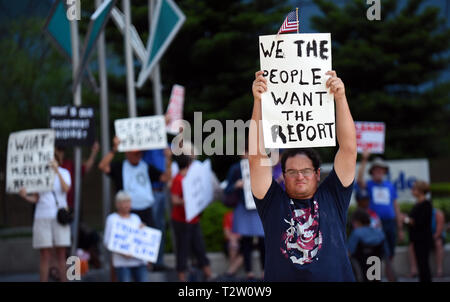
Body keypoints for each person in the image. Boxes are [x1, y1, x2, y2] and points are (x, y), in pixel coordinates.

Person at [249, 70, 357, 281]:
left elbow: (349, 150)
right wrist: (258, 101)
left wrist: (341, 98)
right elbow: (256, 158)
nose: (300, 176)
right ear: (283, 176)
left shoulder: (334, 197)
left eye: (306, 171)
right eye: (292, 171)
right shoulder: (271, 203)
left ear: (317, 174)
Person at [98, 136, 171, 228]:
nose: (138, 156)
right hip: (127, 212)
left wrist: (168, 159)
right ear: (127, 153)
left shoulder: (146, 166)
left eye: (139, 153)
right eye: (134, 153)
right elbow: (102, 166)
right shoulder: (119, 167)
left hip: (146, 211)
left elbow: (165, 178)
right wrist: (114, 149)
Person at [18, 156, 71, 282]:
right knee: (44, 255)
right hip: (42, 216)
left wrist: (57, 171)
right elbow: (36, 198)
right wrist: (25, 196)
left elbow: (66, 189)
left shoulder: (64, 172)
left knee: (62, 254)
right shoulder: (38, 174)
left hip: (60, 217)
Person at [357, 151, 403, 271]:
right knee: (376, 251)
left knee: (391, 251)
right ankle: (375, 277)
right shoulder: (369, 184)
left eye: (381, 169)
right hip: (376, 223)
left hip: (390, 222)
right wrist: (364, 160)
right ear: (372, 172)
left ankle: (389, 274)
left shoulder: (390, 185)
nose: (378, 171)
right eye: (376, 169)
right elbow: (359, 180)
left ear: (384, 171)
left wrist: (400, 227)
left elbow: (395, 205)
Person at [170, 154, 212, 282]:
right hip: (181, 221)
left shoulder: (190, 178)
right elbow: (174, 199)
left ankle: (208, 274)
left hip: (193, 219)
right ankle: (182, 278)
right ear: (188, 164)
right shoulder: (178, 179)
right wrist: (188, 201)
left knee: (199, 247)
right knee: (183, 249)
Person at [224, 150, 265, 280]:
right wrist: (236, 185)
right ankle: (249, 271)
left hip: (258, 207)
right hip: (243, 206)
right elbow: (227, 188)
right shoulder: (235, 169)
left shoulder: (261, 166)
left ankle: (265, 270)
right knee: (246, 240)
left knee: (263, 240)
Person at [103, 191, 148, 282]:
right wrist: (122, 252)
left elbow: (142, 238)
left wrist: (144, 230)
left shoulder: (136, 218)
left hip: (139, 261)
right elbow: (107, 241)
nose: (127, 205)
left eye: (128, 202)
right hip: (122, 263)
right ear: (117, 204)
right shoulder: (112, 219)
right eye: (124, 202)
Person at [142, 148, 172, 271]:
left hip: (162, 192)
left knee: (160, 228)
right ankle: (147, 262)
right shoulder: (147, 148)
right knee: (150, 228)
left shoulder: (166, 147)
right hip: (149, 192)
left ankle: (158, 262)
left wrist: (169, 157)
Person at [55, 141, 100, 210]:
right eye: (59, 149)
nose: (60, 153)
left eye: (62, 149)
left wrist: (94, 152)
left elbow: (85, 168)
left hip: (69, 205)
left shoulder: (68, 164)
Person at [347, 209, 389, 282]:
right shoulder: (380, 233)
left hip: (360, 275)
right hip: (376, 274)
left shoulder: (356, 233)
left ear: (357, 222)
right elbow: (386, 254)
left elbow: (348, 254)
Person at [404, 180, 433, 282]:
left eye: (414, 189)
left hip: (423, 239)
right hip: (417, 239)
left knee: (423, 263)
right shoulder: (418, 204)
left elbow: (419, 221)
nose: (412, 191)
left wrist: (406, 219)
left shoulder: (426, 204)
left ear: (420, 191)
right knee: (421, 264)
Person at [222, 210, 243, 278]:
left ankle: (230, 271)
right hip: (230, 242)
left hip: (243, 242)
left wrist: (236, 238)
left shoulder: (244, 217)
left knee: (246, 251)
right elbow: (226, 232)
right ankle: (232, 272)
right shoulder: (228, 215)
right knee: (233, 245)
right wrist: (233, 239)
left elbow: (244, 233)